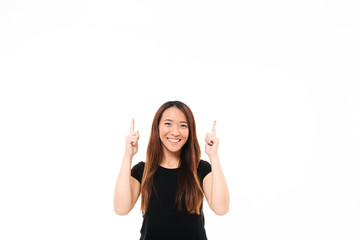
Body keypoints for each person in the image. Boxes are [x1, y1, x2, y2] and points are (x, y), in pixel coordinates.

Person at [114, 101, 230, 240]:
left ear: (190, 131)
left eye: (183, 125)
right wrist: (128, 155)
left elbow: (221, 209)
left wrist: (214, 156)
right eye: (168, 123)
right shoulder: (143, 170)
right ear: (157, 127)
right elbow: (121, 209)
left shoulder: (201, 168)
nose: (175, 132)